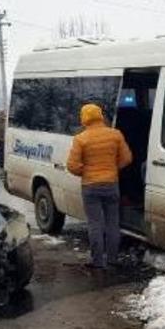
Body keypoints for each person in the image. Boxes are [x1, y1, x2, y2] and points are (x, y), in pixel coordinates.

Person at [67, 103, 132, 269]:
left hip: (90, 187)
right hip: (111, 184)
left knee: (95, 224)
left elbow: (72, 166)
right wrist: (111, 168)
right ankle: (113, 259)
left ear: (84, 119)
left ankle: (97, 261)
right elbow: (127, 159)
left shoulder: (81, 139)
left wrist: (87, 172)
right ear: (100, 116)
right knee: (112, 223)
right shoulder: (115, 135)